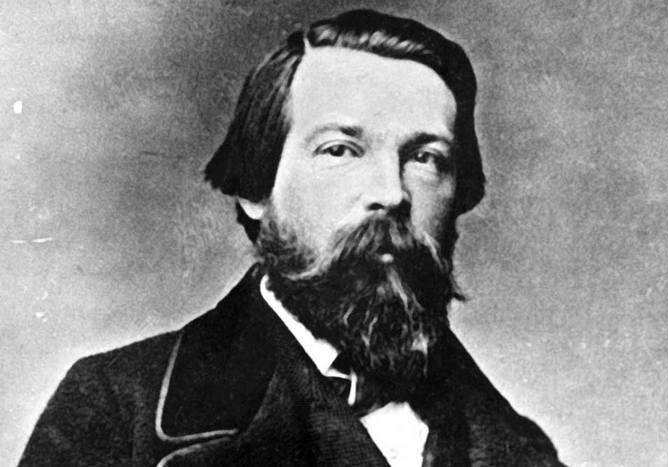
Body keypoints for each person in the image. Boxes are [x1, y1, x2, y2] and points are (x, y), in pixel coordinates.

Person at [20, 9, 565, 467]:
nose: (391, 193)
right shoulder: (117, 410)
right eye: (340, 150)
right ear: (256, 188)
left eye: (425, 158)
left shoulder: (520, 448)